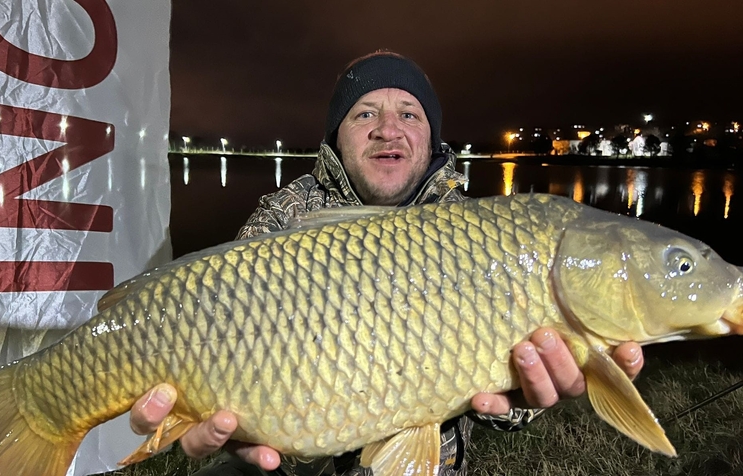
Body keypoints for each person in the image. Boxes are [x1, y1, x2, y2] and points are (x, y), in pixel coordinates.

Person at [129, 51, 645, 475]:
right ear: (337, 136)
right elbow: (207, 334)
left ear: (429, 137)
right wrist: (210, 424)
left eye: (408, 113)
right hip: (288, 461)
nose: (388, 129)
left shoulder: (482, 234)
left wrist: (534, 393)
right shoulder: (284, 218)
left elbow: (509, 404)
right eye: (365, 113)